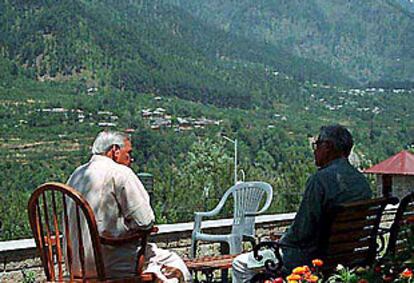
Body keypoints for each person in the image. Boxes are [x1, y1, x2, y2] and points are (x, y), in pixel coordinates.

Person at [232, 124, 372, 282]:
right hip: (347, 255)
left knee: (240, 264)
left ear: (329, 147)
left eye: (317, 145)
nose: (315, 150)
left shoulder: (320, 180)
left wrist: (279, 240)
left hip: (310, 258)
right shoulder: (361, 182)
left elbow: (301, 232)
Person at [66, 131, 191, 282]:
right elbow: (145, 221)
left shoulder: (77, 175)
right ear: (115, 151)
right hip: (110, 264)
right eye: (128, 153)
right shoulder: (120, 173)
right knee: (173, 262)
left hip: (75, 265)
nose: (131, 159)